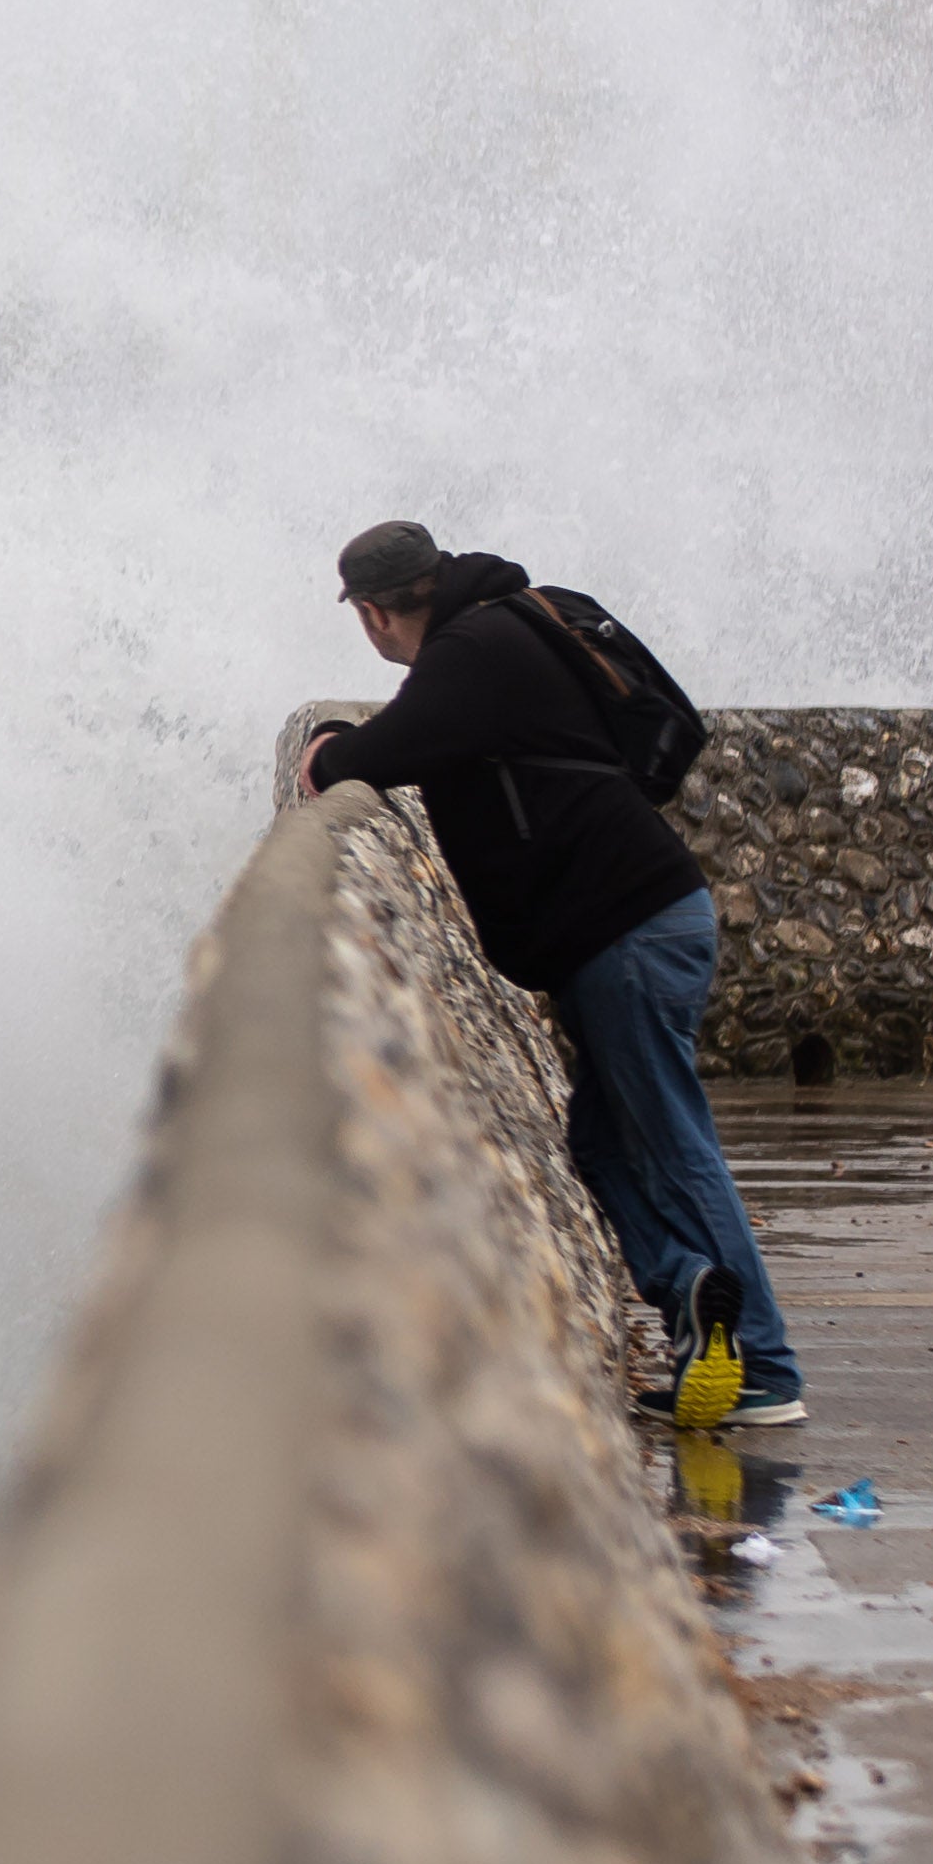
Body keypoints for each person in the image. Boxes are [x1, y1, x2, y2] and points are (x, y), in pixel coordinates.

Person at [296, 519, 801, 1428]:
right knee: (604, 1145)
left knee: (672, 1142)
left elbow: (370, 758)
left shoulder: (470, 651)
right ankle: (697, 1300)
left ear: (371, 613)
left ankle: (762, 1364)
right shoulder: (505, 624)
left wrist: (325, 747)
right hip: (642, 918)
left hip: (627, 931)